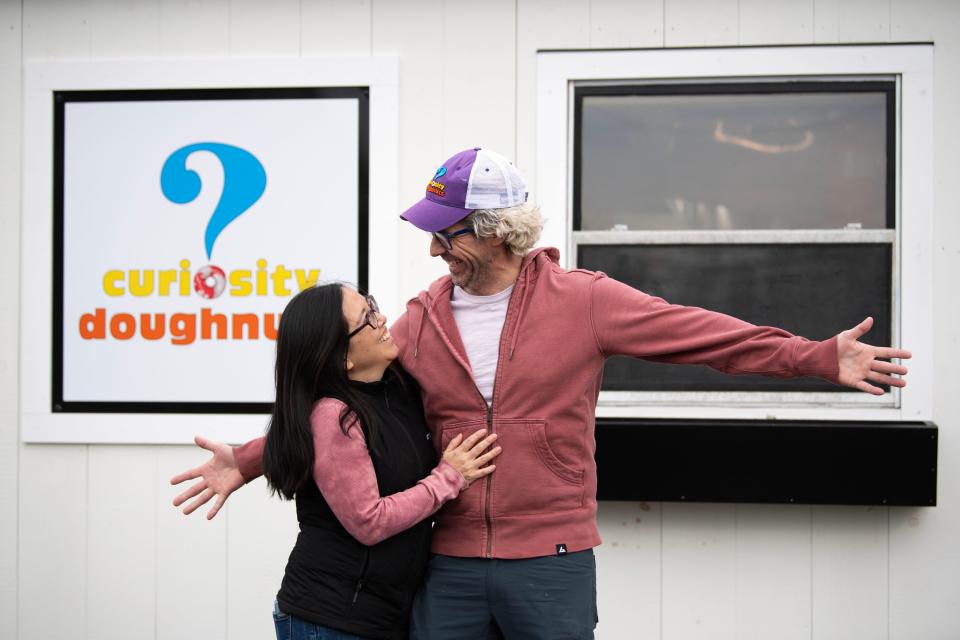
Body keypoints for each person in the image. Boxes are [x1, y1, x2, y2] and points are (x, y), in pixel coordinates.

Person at [172, 148, 911, 639]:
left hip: (551, 560)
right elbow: (342, 402)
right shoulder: (420, 321)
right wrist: (248, 458)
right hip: (450, 564)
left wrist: (814, 357)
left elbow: (703, 336)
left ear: (495, 232)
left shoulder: (583, 301)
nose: (433, 250)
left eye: (447, 233)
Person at [204, 282, 501, 640]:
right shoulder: (335, 416)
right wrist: (448, 478)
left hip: (378, 616)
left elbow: (299, 433)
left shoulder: (396, 389)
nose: (383, 319)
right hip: (329, 620)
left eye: (372, 306)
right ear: (341, 356)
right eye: (367, 318)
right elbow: (369, 521)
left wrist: (246, 459)